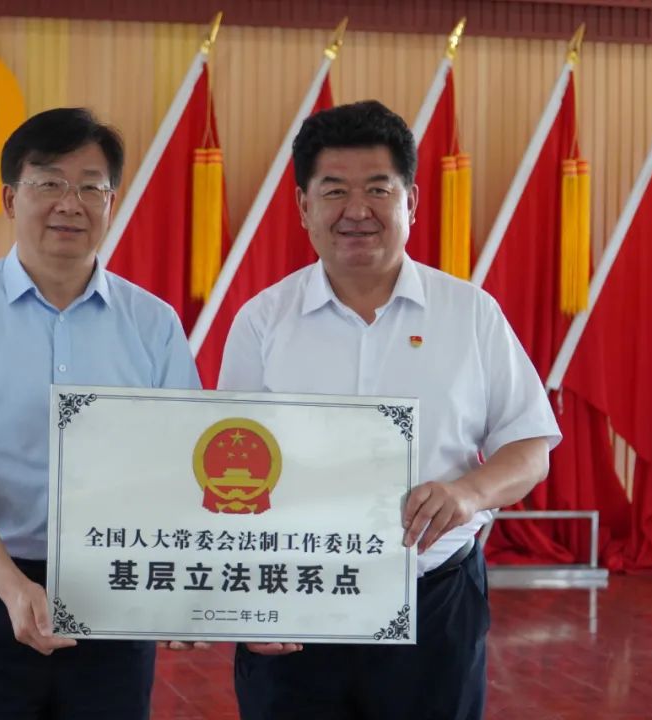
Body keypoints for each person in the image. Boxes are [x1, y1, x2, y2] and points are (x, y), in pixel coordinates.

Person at [218, 100, 561, 720]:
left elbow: (530, 446)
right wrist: (245, 601)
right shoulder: (262, 321)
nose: (357, 210)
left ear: (412, 202)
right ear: (303, 206)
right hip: (295, 600)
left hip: (434, 600)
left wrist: (468, 494)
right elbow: (225, 465)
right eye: (334, 191)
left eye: (378, 189)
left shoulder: (470, 314)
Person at [0, 107, 201, 719]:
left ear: (111, 202)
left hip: (114, 585)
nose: (70, 203)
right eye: (50, 183)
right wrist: (12, 587)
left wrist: (183, 586)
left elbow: (178, 465)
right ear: (11, 198)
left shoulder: (153, 323)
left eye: (91, 187)